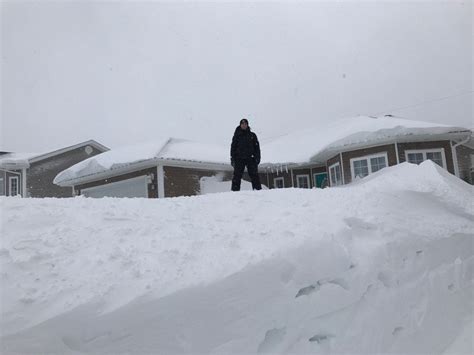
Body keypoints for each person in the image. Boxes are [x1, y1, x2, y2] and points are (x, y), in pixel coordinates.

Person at [230, 118, 262, 191]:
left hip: (250, 158)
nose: (244, 125)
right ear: (240, 125)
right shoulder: (236, 136)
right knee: (237, 176)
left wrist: (257, 158)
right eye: (242, 124)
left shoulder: (252, 135)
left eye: (245, 124)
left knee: (254, 175)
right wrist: (233, 159)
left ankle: (258, 191)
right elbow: (233, 148)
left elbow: (257, 147)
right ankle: (235, 192)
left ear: (247, 125)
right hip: (239, 158)